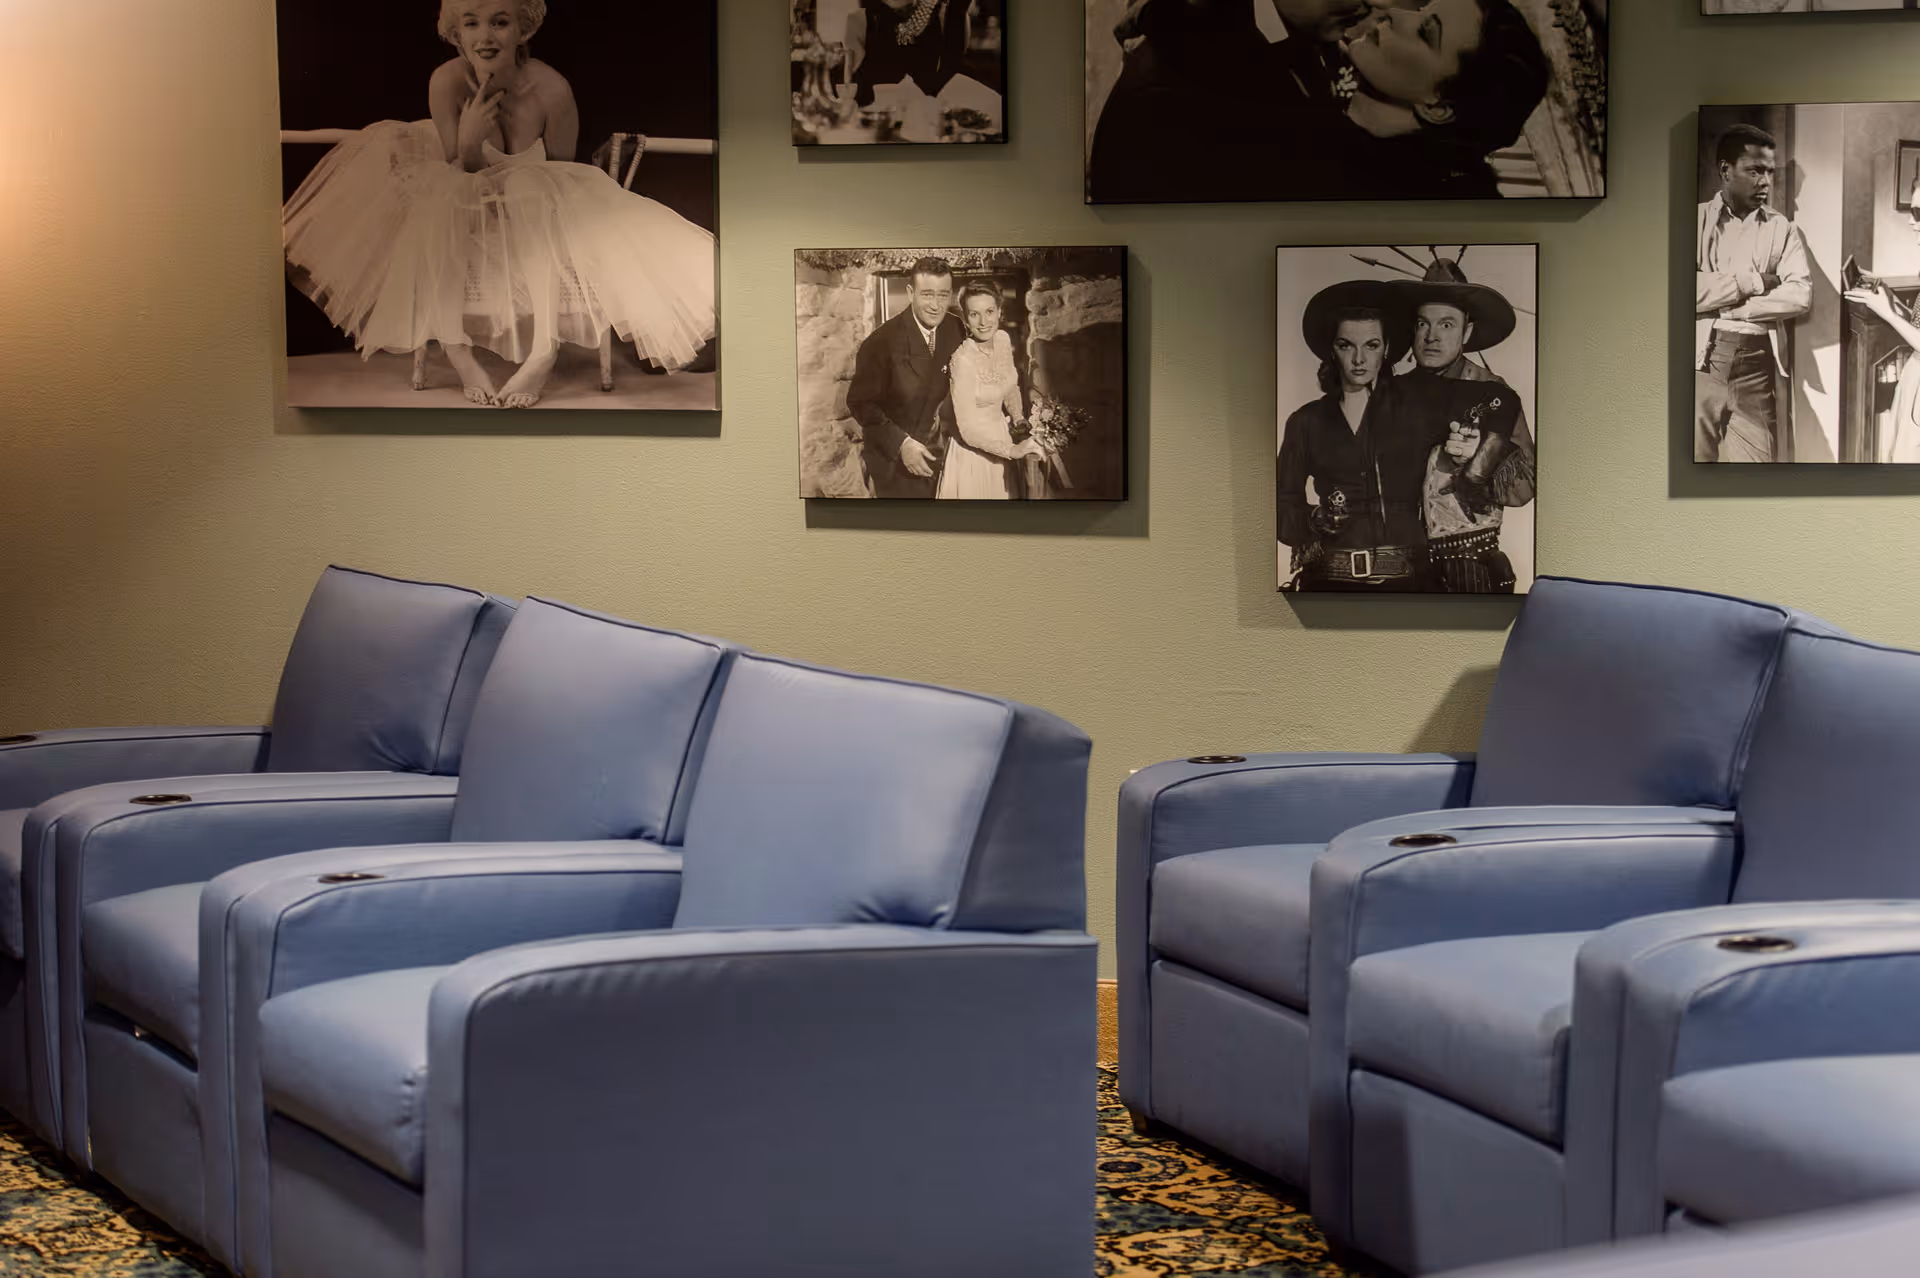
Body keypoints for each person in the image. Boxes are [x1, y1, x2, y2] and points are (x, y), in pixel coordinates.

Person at [282, 0, 717, 408]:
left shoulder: (553, 91)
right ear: (456, 32)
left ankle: (542, 351)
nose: (484, 36)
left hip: (533, 217)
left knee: (528, 182)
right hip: (466, 208)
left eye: (500, 21)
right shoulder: (447, 82)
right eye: (471, 22)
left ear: (523, 28)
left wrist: (514, 191)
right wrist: (469, 140)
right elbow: (461, 171)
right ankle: (458, 351)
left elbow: (562, 179)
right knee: (444, 193)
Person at [1088, 0, 1551, 203]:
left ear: (1437, 105)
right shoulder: (1317, 113)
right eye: (1421, 9)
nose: (1397, 16)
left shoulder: (1332, 178)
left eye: (1426, 32)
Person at [1277, 280, 1495, 589]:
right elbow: (1280, 504)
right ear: (1331, 349)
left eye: (1371, 345)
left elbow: (1495, 402)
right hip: (1327, 587)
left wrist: (1471, 450)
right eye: (1346, 345)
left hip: (1412, 586)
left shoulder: (1422, 408)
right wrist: (1314, 519)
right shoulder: (1305, 421)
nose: (1358, 359)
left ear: (1387, 348)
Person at [1393, 256, 1536, 592]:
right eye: (1422, 324)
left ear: (1466, 331)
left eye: (1446, 324)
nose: (1431, 336)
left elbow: (1525, 489)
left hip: (1470, 570)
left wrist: (1481, 457)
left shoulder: (1494, 393)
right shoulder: (1391, 393)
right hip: (1397, 569)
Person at [1695, 123, 1811, 462]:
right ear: (1725, 171)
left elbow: (1800, 294)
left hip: (1757, 366)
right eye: (1755, 170)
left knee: (1757, 471)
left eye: (1770, 172)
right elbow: (1681, 291)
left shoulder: (1783, 228)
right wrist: (1756, 282)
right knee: (1694, 470)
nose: (1765, 182)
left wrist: (1732, 308)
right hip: (1702, 361)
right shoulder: (1693, 220)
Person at [847, 257, 967, 498]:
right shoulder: (879, 343)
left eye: (943, 295)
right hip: (894, 461)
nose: (935, 305)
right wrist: (902, 444)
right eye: (927, 294)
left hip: (940, 453)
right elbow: (861, 404)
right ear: (910, 293)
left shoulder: (956, 329)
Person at [937, 283, 1048, 499]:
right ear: (966, 319)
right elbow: (967, 430)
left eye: (989, 312)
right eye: (974, 314)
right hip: (973, 455)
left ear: (999, 311)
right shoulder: (962, 361)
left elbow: (1009, 386)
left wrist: (1018, 419)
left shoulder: (1002, 340)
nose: (983, 322)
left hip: (1003, 439)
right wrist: (1012, 451)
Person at [850, 0, 976, 105]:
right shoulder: (860, 19)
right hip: (870, 120)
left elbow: (950, 80)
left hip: (922, 121)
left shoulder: (950, 17)